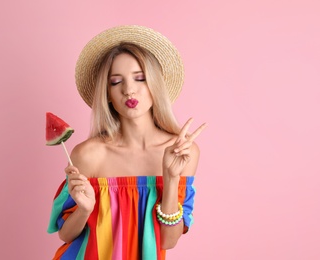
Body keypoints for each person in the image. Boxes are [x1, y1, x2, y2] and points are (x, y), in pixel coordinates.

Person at [47, 25, 207, 260]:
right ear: (108, 95)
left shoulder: (184, 152)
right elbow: (65, 234)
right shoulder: (89, 154)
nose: (129, 90)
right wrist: (85, 208)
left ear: (155, 85)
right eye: (115, 82)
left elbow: (168, 241)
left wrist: (171, 178)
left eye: (140, 78)